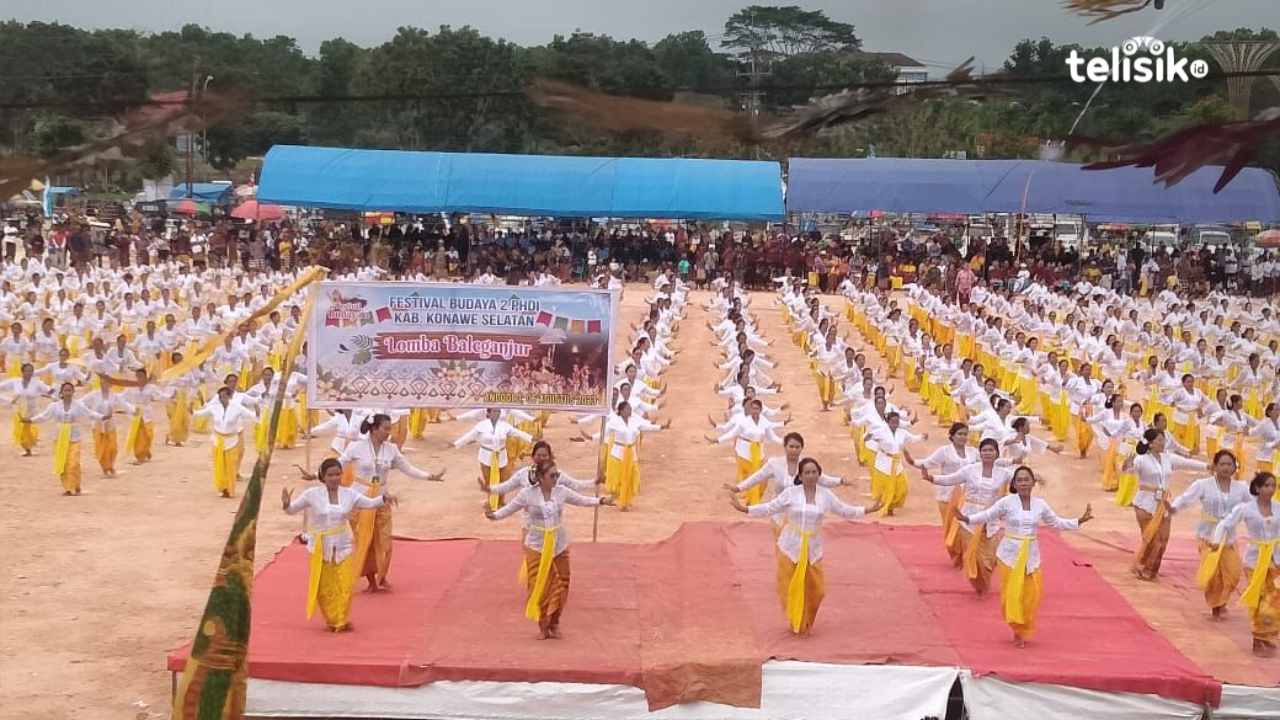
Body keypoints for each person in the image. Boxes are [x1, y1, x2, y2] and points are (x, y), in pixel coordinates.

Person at [730, 457, 880, 635]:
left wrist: (868, 510)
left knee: (817, 590)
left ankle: (806, 618)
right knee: (789, 586)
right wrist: (745, 509)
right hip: (790, 545)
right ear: (800, 475)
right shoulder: (791, 493)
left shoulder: (826, 495)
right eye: (807, 472)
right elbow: (770, 508)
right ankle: (796, 620)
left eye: (814, 472)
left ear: (819, 474)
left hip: (812, 548)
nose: (811, 476)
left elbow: (844, 510)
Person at [957, 466, 1092, 647]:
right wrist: (967, 519)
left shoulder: (1040, 504)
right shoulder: (1007, 502)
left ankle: (1024, 625)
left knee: (1031, 595)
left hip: (1031, 555)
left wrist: (1079, 521)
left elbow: (1056, 522)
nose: (1023, 483)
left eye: (1026, 479)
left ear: (1033, 482)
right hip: (1009, 554)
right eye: (1019, 480)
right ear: (1014, 484)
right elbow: (988, 515)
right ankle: (1017, 630)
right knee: (1012, 594)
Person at [485, 461, 615, 639]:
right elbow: (510, 509)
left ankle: (555, 621)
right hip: (536, 544)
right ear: (540, 478)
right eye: (552, 475)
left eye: (557, 475)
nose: (556, 478)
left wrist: (601, 500)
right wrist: (493, 515)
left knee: (562, 582)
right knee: (540, 584)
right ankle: (543, 625)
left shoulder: (561, 491)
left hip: (558, 542)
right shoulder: (527, 494)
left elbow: (581, 500)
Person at [282, 458, 395, 632]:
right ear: (323, 476)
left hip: (343, 546)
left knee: (345, 584)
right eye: (330, 475)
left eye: (337, 474)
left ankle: (341, 619)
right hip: (321, 547)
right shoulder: (311, 494)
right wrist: (286, 503)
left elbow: (370, 503)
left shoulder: (349, 494)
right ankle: (332, 619)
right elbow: (291, 511)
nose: (335, 478)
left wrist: (384, 497)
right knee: (324, 588)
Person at [339, 413, 445, 591]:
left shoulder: (391, 449)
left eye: (390, 428)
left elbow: (408, 468)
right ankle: (372, 580)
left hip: (382, 498)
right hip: (359, 499)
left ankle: (382, 574)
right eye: (386, 428)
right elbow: (338, 464)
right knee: (365, 541)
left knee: (385, 541)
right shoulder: (356, 447)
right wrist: (317, 475)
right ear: (374, 429)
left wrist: (429, 476)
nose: (389, 432)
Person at [920, 438, 1012, 595]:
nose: (987, 453)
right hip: (968, 517)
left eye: (991, 450)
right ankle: (979, 585)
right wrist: (932, 478)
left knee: (989, 558)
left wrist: (1034, 477)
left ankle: (984, 580)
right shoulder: (970, 470)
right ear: (980, 453)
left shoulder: (1004, 474)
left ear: (997, 453)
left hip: (991, 520)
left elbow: (1018, 481)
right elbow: (951, 478)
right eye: (984, 450)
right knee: (973, 555)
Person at [1170, 450, 1250, 619]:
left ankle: (1223, 600)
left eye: (1230, 464)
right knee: (1213, 573)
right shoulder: (1203, 484)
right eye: (1222, 464)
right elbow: (1185, 499)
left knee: (1233, 573)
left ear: (1235, 467)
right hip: (1208, 535)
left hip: (1228, 536)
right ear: (1215, 466)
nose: (1226, 468)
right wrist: (1173, 508)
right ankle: (1216, 605)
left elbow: (1255, 505)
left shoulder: (1242, 487)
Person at [1210, 472, 1280, 657]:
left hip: (1274, 559)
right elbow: (1225, 524)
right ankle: (1258, 636)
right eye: (1266, 485)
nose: (1270, 489)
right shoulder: (1246, 508)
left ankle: (1267, 635)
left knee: (1273, 599)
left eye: (1273, 485)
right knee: (1259, 598)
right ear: (1257, 488)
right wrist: (1217, 540)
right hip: (1254, 560)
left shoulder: (1279, 508)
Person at [1124, 428, 1208, 580]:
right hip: (1144, 503)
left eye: (1163, 440)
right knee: (1152, 539)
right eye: (1159, 440)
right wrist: (1126, 464)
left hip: (1163, 503)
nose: (1163, 443)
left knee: (1163, 540)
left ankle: (1152, 568)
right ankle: (1144, 567)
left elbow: (1187, 463)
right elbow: (1128, 470)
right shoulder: (1141, 459)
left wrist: (1207, 467)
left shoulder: (1168, 458)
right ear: (1150, 443)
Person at [915, 423, 980, 565]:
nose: (963, 437)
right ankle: (956, 554)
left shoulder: (973, 452)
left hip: (968, 495)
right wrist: (912, 461)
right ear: (952, 436)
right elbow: (927, 463)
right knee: (951, 526)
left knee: (966, 525)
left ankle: (967, 555)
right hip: (947, 494)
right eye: (960, 434)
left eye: (965, 434)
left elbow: (986, 464)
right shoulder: (944, 451)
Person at [26, 382, 107, 494]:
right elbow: (43, 416)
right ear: (61, 393)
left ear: (73, 392)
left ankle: (76, 485)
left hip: (74, 437)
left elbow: (90, 413)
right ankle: (68, 488)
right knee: (63, 462)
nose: (68, 392)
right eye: (65, 390)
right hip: (59, 437)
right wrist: (30, 420)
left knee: (74, 463)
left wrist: (102, 417)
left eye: (70, 390)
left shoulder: (78, 405)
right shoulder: (54, 406)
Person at [453, 408, 535, 510]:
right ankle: (491, 502)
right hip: (485, 455)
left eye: (498, 411)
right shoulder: (481, 426)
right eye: (494, 411)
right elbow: (469, 436)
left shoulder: (504, 425)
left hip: (501, 454)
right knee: (488, 480)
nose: (497, 413)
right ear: (488, 413)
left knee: (503, 479)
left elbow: (517, 433)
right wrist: (456, 444)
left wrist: (530, 438)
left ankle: (501, 501)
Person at [192, 386, 259, 497]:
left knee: (231, 465)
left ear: (229, 396)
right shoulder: (215, 408)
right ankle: (222, 487)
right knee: (220, 464)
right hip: (218, 440)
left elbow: (252, 416)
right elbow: (200, 413)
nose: (223, 398)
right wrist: (192, 411)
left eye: (225, 396)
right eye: (221, 396)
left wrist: (257, 411)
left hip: (232, 440)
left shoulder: (237, 407)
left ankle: (229, 488)